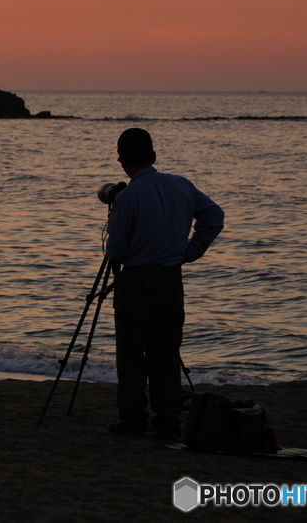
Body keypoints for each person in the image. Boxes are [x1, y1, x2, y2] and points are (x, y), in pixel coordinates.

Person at [105, 128, 224, 439]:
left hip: (136, 279)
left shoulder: (128, 197)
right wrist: (191, 251)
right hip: (171, 278)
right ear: (154, 157)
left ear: (121, 161)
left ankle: (133, 420)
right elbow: (214, 215)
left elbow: (115, 252)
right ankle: (168, 418)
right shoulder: (180, 184)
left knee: (131, 353)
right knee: (166, 351)